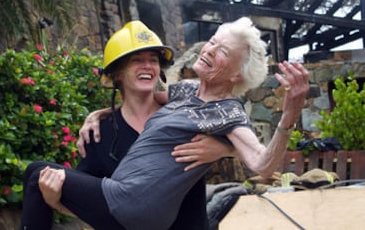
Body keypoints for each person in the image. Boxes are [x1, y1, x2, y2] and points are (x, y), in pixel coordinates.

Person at [21, 17, 310, 230]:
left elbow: (262, 164)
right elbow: (147, 96)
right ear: (117, 74)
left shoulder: (227, 112)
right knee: (41, 178)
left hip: (144, 209)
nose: (209, 50)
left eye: (223, 52)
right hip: (128, 210)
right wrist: (99, 113)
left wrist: (286, 117)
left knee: (35, 171)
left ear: (237, 75)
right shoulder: (184, 92)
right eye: (212, 42)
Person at [74, 21, 232, 229]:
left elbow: (255, 153)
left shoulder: (186, 116)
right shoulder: (99, 134)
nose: (147, 66)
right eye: (136, 60)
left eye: (153, 60)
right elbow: (83, 201)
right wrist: (52, 196)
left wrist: (223, 149)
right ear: (117, 74)